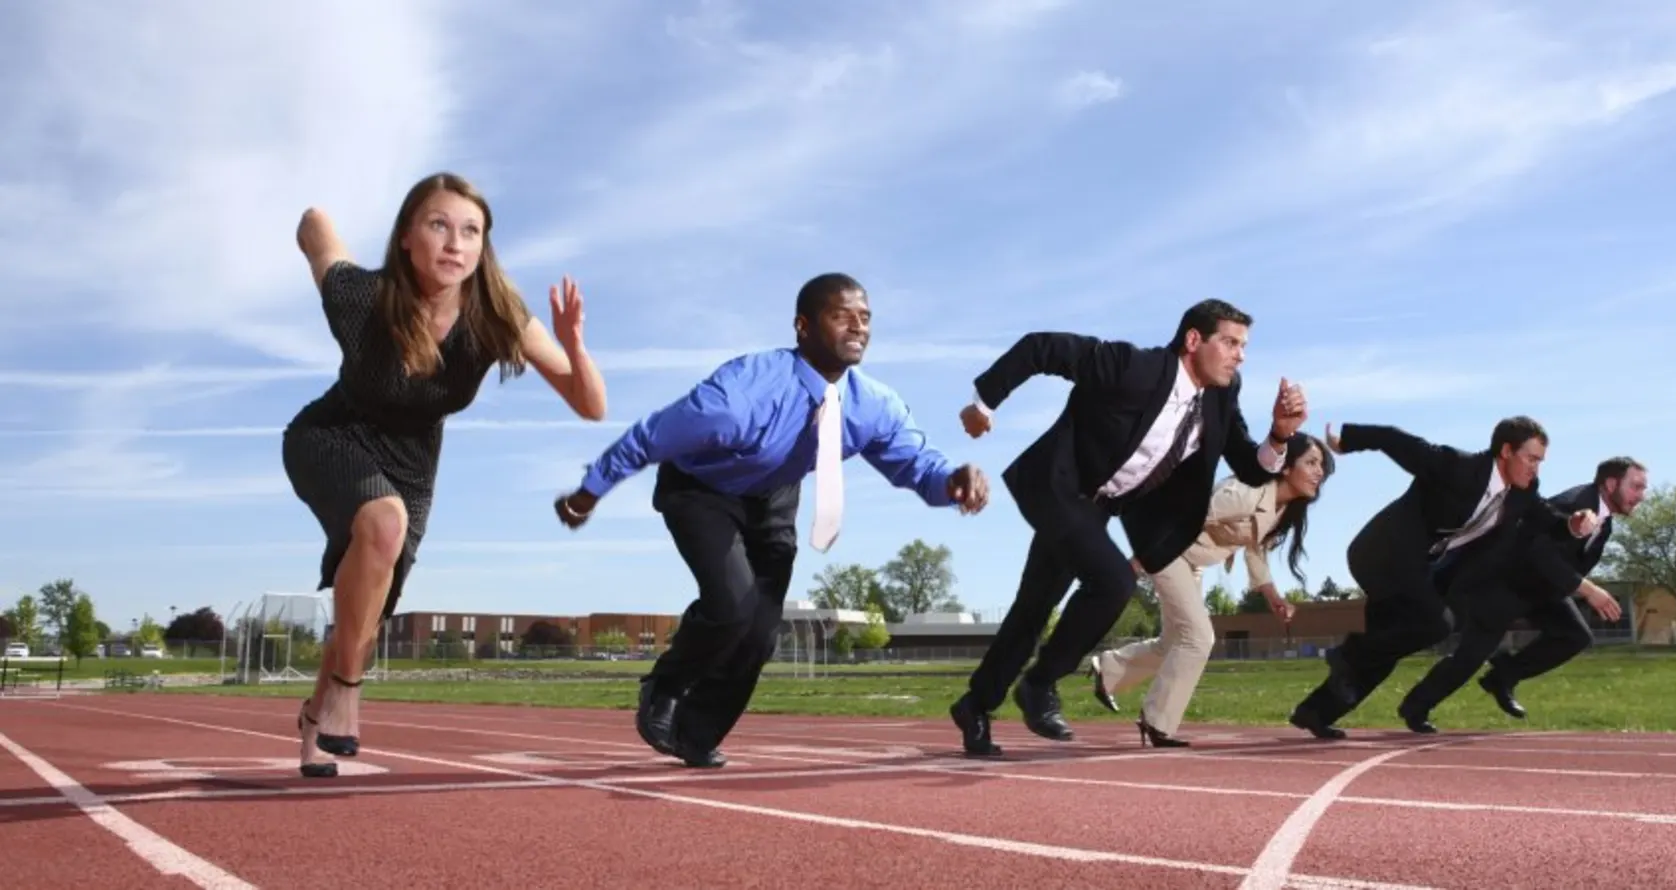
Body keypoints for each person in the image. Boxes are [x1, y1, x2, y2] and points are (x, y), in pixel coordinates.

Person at [552, 273, 990, 768]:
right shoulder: (740, 396)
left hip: (774, 496)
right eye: (840, 314)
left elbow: (916, 464)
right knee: (733, 604)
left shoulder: (872, 405)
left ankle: (698, 731)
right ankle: (665, 686)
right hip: (701, 489)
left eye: (865, 317)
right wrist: (588, 494)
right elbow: (649, 437)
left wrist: (951, 480)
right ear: (803, 327)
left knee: (760, 630)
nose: (857, 326)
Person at [285, 172, 607, 779]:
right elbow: (313, 227)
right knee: (384, 524)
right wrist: (319, 221)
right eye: (438, 225)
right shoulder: (363, 297)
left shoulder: (496, 315)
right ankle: (349, 692)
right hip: (331, 436)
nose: (455, 244)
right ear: (408, 236)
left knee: (369, 612)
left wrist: (574, 344)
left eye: (470, 231)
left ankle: (313, 718)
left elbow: (591, 404)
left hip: (412, 463)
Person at [947, 299, 1308, 757]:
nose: (1241, 355)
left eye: (1244, 346)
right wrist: (984, 402)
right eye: (1231, 343)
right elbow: (1042, 348)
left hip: (1102, 508)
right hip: (1058, 487)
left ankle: (975, 704)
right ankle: (1039, 684)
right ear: (1194, 341)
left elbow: (1248, 466)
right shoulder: (1131, 366)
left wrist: (1279, 436)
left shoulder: (1221, 394)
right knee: (1113, 581)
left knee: (1033, 608)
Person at [1285, 416, 1599, 740]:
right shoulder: (1457, 467)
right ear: (1506, 451)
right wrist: (1346, 441)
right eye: (1531, 459)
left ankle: (1316, 711)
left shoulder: (1522, 490)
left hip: (1420, 568)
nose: (1536, 469)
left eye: (1540, 462)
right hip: (1382, 554)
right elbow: (1396, 439)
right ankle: (1347, 654)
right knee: (1435, 623)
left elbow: (1541, 515)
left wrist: (1571, 526)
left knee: (1391, 640)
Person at [1085, 432, 1336, 747]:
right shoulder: (1246, 492)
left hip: (1194, 561)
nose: (1319, 472)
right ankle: (1157, 722)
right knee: (1199, 637)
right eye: (1311, 462)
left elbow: (1256, 552)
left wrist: (1273, 598)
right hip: (1169, 551)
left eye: (1322, 466)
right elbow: (1189, 515)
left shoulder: (1282, 509)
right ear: (1286, 467)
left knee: (1175, 643)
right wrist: (1140, 559)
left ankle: (1107, 669)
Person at [1395, 456, 1644, 730]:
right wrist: (1587, 589)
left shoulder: (1605, 522)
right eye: (1635, 487)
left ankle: (1502, 676)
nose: (1640, 496)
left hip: (1544, 589)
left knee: (1575, 636)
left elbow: (1572, 562)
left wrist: (1577, 587)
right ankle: (1415, 707)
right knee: (1472, 655)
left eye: (1642, 489)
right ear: (1610, 484)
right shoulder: (1573, 503)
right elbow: (1538, 551)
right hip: (1505, 583)